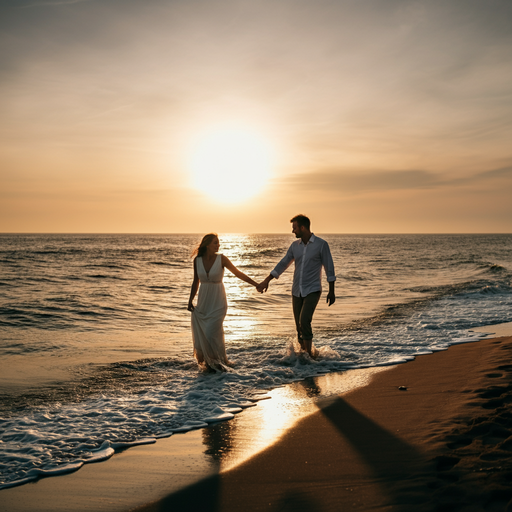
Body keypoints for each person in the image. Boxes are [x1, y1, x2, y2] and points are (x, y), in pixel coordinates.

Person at [257, 215, 336, 357]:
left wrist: (332, 291)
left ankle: (310, 357)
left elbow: (329, 268)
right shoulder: (295, 246)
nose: (293, 231)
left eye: (294, 228)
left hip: (313, 289)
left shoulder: (321, 245)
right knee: (298, 326)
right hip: (296, 290)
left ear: (303, 227)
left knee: (304, 320)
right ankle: (302, 357)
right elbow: (283, 263)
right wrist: (267, 280)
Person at [188, 233, 259, 371]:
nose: (218, 245)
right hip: (203, 303)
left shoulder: (222, 259)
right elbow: (195, 282)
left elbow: (238, 273)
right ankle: (210, 365)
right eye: (215, 242)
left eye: (218, 242)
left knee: (210, 332)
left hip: (218, 303)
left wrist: (256, 284)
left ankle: (218, 361)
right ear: (207, 244)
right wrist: (190, 300)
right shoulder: (197, 260)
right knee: (203, 334)